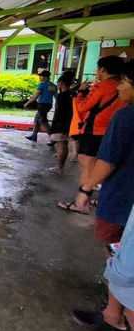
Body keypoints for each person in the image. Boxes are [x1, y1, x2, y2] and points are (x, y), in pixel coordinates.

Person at [70, 62, 134, 331]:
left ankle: (117, 315)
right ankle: (113, 312)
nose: (121, 86)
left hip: (122, 197)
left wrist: (84, 190)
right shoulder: (120, 109)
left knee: (119, 256)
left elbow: (107, 161)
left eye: (126, 82)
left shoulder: (125, 114)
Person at [58, 55, 125, 214]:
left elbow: (82, 108)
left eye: (98, 69)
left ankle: (81, 204)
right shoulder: (122, 87)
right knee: (106, 167)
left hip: (94, 131)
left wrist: (80, 93)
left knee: (87, 166)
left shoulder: (102, 87)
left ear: (103, 69)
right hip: (112, 131)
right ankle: (101, 200)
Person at [48, 73, 73, 173]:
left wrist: (58, 125)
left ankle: (59, 167)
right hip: (67, 123)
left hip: (60, 123)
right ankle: (60, 166)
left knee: (60, 144)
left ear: (61, 83)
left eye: (58, 82)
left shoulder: (62, 96)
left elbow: (60, 112)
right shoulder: (71, 95)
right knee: (64, 144)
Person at [24, 70, 56, 143]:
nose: (39, 77)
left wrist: (27, 103)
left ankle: (53, 138)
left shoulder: (42, 85)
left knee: (43, 121)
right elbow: (55, 95)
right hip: (48, 105)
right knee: (37, 119)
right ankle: (34, 135)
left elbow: (36, 95)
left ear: (45, 77)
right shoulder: (52, 85)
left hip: (42, 105)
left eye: (41, 76)